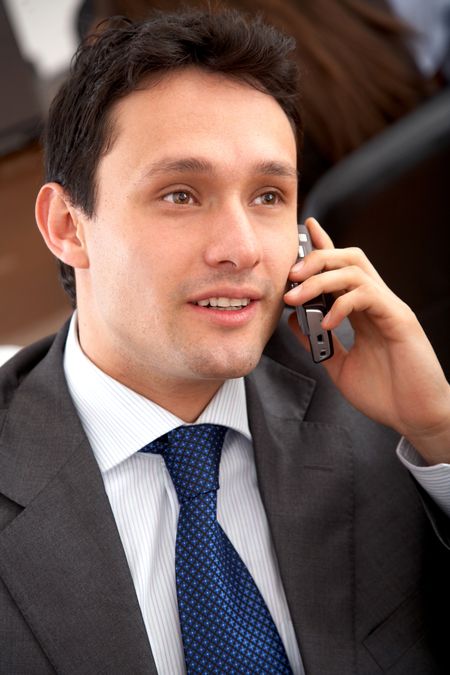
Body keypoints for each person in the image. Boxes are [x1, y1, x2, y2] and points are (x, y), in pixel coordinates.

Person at [0, 8, 449, 674]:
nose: (242, 249)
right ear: (68, 225)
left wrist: (440, 429)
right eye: (181, 194)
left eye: (269, 196)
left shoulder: (388, 424)